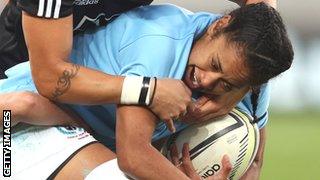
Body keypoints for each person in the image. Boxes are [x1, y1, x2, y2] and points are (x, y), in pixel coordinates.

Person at [0, 1, 293, 179]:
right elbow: (133, 157)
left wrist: (252, 157)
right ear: (220, 25)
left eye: (226, 83)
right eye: (214, 64)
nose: (206, 81)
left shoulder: (244, 65)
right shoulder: (160, 45)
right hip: (21, 121)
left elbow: (264, 22)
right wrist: (148, 90)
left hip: (65, 124)